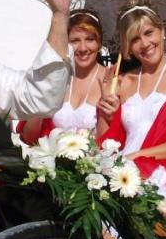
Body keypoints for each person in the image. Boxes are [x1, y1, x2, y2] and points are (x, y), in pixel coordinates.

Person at [96, 4, 166, 207]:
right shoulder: (123, 81)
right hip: (123, 167)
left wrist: (140, 155)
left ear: (162, 31)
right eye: (135, 39)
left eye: (149, 33)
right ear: (127, 47)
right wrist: (105, 110)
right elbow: (107, 142)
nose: (145, 44)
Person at [19, 9, 105, 143]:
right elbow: (29, 138)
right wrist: (41, 97)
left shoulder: (112, 81)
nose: (83, 48)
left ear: (99, 43)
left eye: (90, 39)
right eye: (75, 40)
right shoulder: (54, 78)